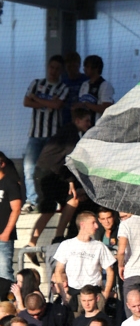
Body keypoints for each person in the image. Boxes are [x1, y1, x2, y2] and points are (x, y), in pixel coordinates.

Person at [25, 108, 93, 260]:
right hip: (46, 175)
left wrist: (71, 182)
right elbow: (71, 159)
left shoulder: (72, 134)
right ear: (77, 120)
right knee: (48, 209)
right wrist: (71, 180)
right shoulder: (70, 134)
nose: (89, 124)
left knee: (73, 200)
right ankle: (31, 244)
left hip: (57, 175)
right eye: (87, 120)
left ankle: (58, 238)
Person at [22, 55, 69, 213]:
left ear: (61, 71)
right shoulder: (36, 83)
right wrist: (46, 102)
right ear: (47, 67)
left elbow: (57, 105)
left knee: (51, 170)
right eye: (51, 67)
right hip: (35, 135)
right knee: (29, 167)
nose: (53, 71)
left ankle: (52, 200)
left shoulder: (63, 88)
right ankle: (31, 200)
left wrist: (37, 99)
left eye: (57, 69)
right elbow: (26, 102)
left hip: (52, 137)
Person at [52, 211, 116, 306]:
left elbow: (110, 271)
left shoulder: (99, 246)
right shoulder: (66, 245)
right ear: (83, 224)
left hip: (95, 293)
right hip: (74, 294)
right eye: (93, 223)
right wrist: (63, 294)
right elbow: (58, 271)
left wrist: (105, 294)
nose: (97, 226)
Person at [0, 153, 23, 285]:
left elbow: (16, 209)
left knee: (4, 273)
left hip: (3, 238)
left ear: (2, 164)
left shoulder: (10, 183)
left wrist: (6, 233)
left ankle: (8, 304)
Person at [74, 55, 114, 125]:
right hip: (83, 129)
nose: (84, 69)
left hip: (98, 128)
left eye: (87, 67)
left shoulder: (105, 85)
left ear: (96, 68)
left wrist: (86, 105)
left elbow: (106, 108)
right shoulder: (84, 85)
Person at [60, 51, 88, 126]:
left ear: (79, 66)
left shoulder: (86, 80)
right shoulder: (62, 82)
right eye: (69, 67)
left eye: (74, 66)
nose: (71, 69)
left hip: (83, 119)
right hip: (66, 119)